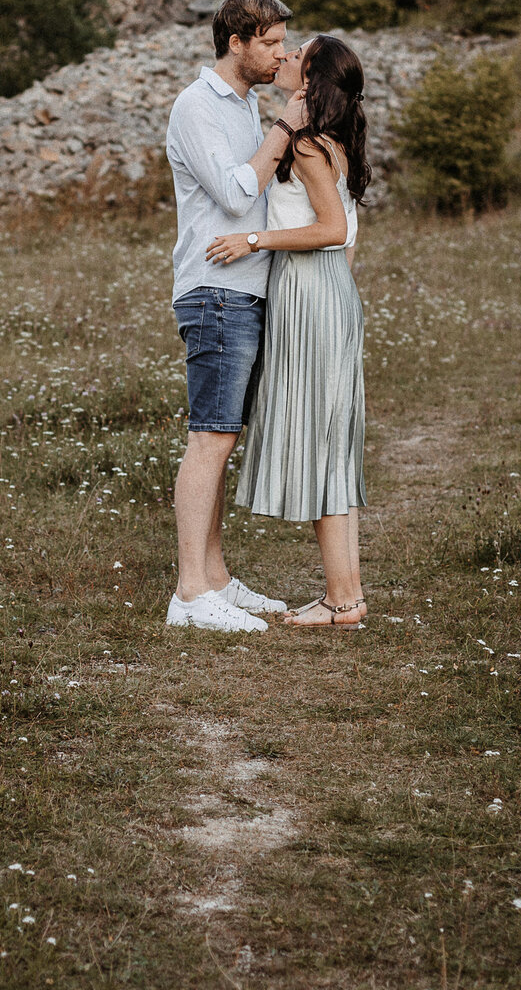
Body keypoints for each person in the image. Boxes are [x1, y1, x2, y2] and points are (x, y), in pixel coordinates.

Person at [164, 0, 309, 634]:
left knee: (222, 439)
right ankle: (191, 594)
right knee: (209, 439)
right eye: (271, 42)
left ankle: (216, 578)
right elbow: (230, 194)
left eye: (283, 42)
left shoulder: (246, 105)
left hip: (245, 288)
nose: (280, 53)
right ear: (237, 43)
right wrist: (284, 131)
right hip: (215, 289)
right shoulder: (198, 106)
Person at [211, 35, 369, 627]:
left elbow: (330, 228)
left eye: (295, 52)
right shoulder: (331, 142)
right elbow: (350, 238)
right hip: (329, 292)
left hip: (309, 291)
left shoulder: (306, 146)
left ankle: (342, 599)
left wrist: (253, 240)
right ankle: (346, 596)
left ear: (311, 77)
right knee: (332, 440)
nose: (284, 56)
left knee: (321, 443)